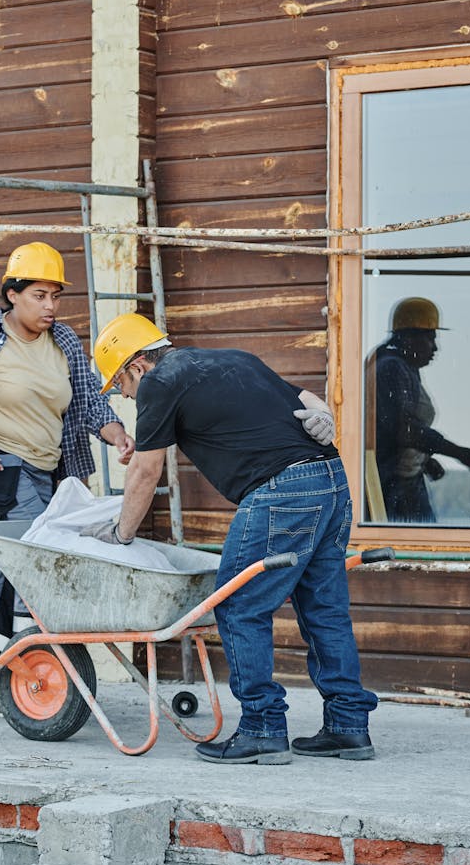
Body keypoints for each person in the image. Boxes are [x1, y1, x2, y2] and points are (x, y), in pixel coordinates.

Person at [82, 313, 377, 764]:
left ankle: (261, 728)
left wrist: (121, 534)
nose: (125, 396)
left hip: (281, 489)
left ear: (138, 365)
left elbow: (146, 470)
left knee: (239, 604)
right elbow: (304, 398)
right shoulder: (233, 359)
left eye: (121, 385)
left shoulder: (161, 382)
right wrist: (324, 414)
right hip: (331, 481)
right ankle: (348, 726)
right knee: (324, 606)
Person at [0, 242, 133, 716]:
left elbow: (85, 400)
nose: (50, 306)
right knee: (25, 571)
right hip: (1, 471)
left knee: (9, 578)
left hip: (50, 474)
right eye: (39, 295)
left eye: (55, 296)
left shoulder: (62, 343)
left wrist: (117, 433)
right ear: (12, 294)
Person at [368, 297, 470, 524]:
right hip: (395, 486)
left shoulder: (401, 367)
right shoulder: (392, 368)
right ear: (409, 338)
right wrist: (459, 453)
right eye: (430, 338)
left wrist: (425, 460)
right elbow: (405, 431)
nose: (435, 347)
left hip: (404, 482)